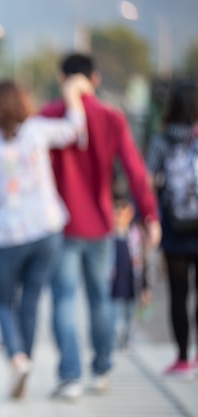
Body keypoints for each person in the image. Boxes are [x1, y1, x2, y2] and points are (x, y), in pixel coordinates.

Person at [40, 52, 161, 400]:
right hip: (101, 224)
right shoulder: (111, 116)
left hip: (60, 226)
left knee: (63, 299)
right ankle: (102, 368)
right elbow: (136, 171)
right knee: (100, 299)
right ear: (95, 79)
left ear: (61, 79)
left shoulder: (49, 115)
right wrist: (150, 215)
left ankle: (70, 376)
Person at [0, 75, 90, 399]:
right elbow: (75, 129)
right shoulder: (37, 130)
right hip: (46, 230)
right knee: (31, 300)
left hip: (7, 234)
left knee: (3, 301)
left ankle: (17, 357)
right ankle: (28, 359)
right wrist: (73, 95)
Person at [146, 81, 198, 378]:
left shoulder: (161, 140)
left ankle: (181, 358)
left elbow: (149, 181)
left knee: (179, 294)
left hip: (176, 229)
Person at [110, 181, 152, 351]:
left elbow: (144, 262)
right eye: (116, 211)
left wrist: (145, 287)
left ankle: (128, 339)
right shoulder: (108, 237)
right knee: (115, 316)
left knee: (131, 315)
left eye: (123, 210)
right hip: (113, 286)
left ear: (130, 212)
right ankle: (114, 338)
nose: (119, 214)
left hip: (132, 284)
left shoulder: (136, 235)